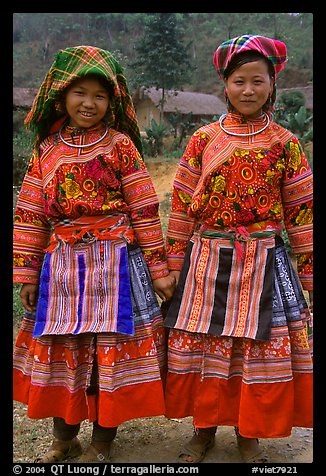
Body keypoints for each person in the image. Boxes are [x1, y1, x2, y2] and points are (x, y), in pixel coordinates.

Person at [13, 45, 175, 463]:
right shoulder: (46, 150)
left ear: (113, 100)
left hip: (116, 265)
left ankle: (102, 444)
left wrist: (158, 269)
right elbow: (31, 213)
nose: (89, 103)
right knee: (62, 355)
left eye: (100, 96)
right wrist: (27, 275)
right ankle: (63, 440)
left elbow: (142, 207)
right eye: (80, 93)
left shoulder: (121, 146)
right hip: (63, 269)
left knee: (108, 360)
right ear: (62, 96)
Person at [162, 34, 313, 463]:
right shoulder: (203, 139)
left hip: (265, 261)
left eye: (258, 81)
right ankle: (203, 430)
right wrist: (171, 265)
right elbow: (182, 205)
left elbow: (302, 212)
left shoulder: (286, 143)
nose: (248, 90)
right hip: (207, 262)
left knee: (256, 355)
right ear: (224, 86)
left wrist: (310, 274)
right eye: (239, 81)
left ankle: (250, 435)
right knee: (206, 349)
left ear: (272, 86)